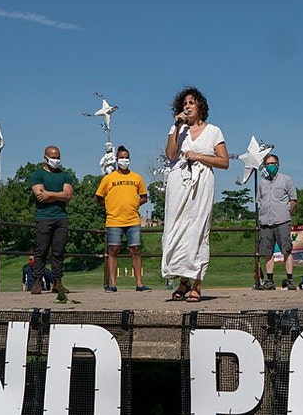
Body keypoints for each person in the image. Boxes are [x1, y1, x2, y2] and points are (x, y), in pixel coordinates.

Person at [163, 86, 229, 302]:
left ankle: (196, 284)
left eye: (191, 102)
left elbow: (224, 162)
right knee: (177, 230)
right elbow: (170, 154)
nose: (187, 106)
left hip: (202, 183)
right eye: (184, 104)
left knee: (198, 231)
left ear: (200, 106)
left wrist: (199, 156)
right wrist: (176, 126)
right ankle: (183, 280)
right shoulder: (177, 130)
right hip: (178, 183)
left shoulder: (214, 131)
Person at [94, 145, 151, 292]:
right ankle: (112, 284)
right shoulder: (109, 178)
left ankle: (139, 283)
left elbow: (144, 197)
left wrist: (135, 204)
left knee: (136, 250)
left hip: (133, 219)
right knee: (113, 250)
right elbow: (98, 197)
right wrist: (109, 206)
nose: (124, 160)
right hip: (114, 220)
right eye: (122, 157)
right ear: (116, 159)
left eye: (127, 157)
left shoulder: (137, 177)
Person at [28, 145, 75, 295]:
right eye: (53, 157)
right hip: (44, 217)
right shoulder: (37, 175)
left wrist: (50, 194)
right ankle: (37, 281)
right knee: (41, 250)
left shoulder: (65, 175)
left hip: (61, 217)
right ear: (45, 157)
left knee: (58, 251)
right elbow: (40, 195)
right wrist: (57, 195)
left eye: (57, 157)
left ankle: (58, 282)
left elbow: (68, 195)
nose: (56, 160)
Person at [255, 153, 298, 290]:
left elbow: (293, 199)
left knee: (286, 250)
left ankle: (290, 280)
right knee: (267, 252)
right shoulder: (261, 183)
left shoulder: (287, 180)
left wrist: (287, 212)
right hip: (266, 222)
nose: (270, 166)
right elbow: (259, 200)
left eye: (273, 163)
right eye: (268, 164)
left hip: (282, 221)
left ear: (278, 164)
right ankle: (269, 281)